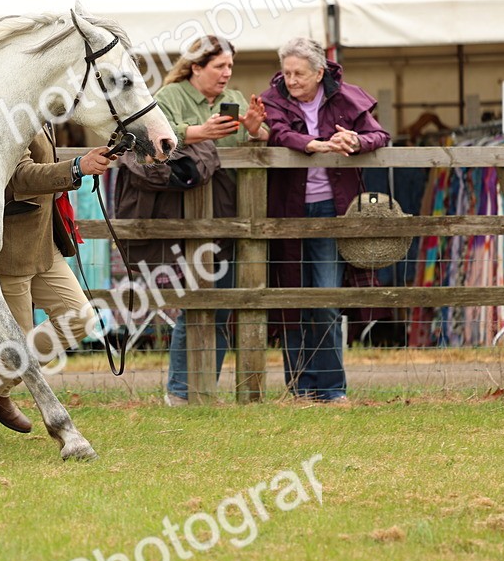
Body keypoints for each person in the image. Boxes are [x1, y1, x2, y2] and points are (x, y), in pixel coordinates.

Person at [0, 125, 116, 449]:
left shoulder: (41, 111)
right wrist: (77, 167)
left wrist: (78, 168)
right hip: (12, 246)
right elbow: (20, 176)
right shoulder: (7, 115)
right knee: (13, 344)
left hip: (45, 244)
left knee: (80, 318)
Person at [260, 37, 389, 402]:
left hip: (333, 211)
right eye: (286, 73)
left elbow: (380, 134)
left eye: (299, 73)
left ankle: (332, 390)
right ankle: (299, 388)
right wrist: (310, 144)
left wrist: (356, 140)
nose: (292, 80)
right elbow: (278, 133)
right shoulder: (273, 99)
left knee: (326, 299)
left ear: (319, 73)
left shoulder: (347, 97)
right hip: (288, 211)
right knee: (293, 299)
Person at [140, 36, 267, 406]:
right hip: (183, 214)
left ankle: (204, 390)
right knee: (194, 304)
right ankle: (181, 392)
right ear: (196, 67)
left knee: (224, 304)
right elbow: (151, 139)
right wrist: (199, 133)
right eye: (219, 67)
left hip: (232, 213)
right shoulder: (169, 97)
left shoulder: (238, 100)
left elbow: (260, 141)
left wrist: (256, 128)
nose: (227, 74)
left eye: (230, 67)